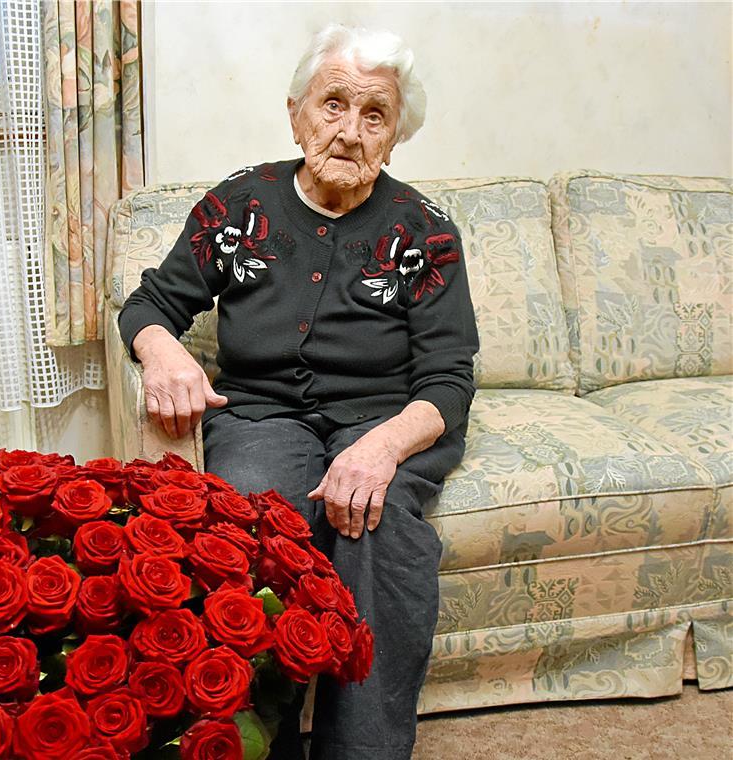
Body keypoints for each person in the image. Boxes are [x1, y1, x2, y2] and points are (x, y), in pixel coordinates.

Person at [118, 22, 479, 760]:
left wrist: (381, 449)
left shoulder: (426, 232)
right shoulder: (240, 205)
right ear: (295, 112)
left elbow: (447, 378)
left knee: (382, 530)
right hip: (261, 414)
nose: (349, 131)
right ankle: (253, 744)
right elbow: (150, 305)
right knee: (253, 520)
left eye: (374, 114)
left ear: (394, 136)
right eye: (333, 104)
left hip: (386, 417)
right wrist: (162, 354)